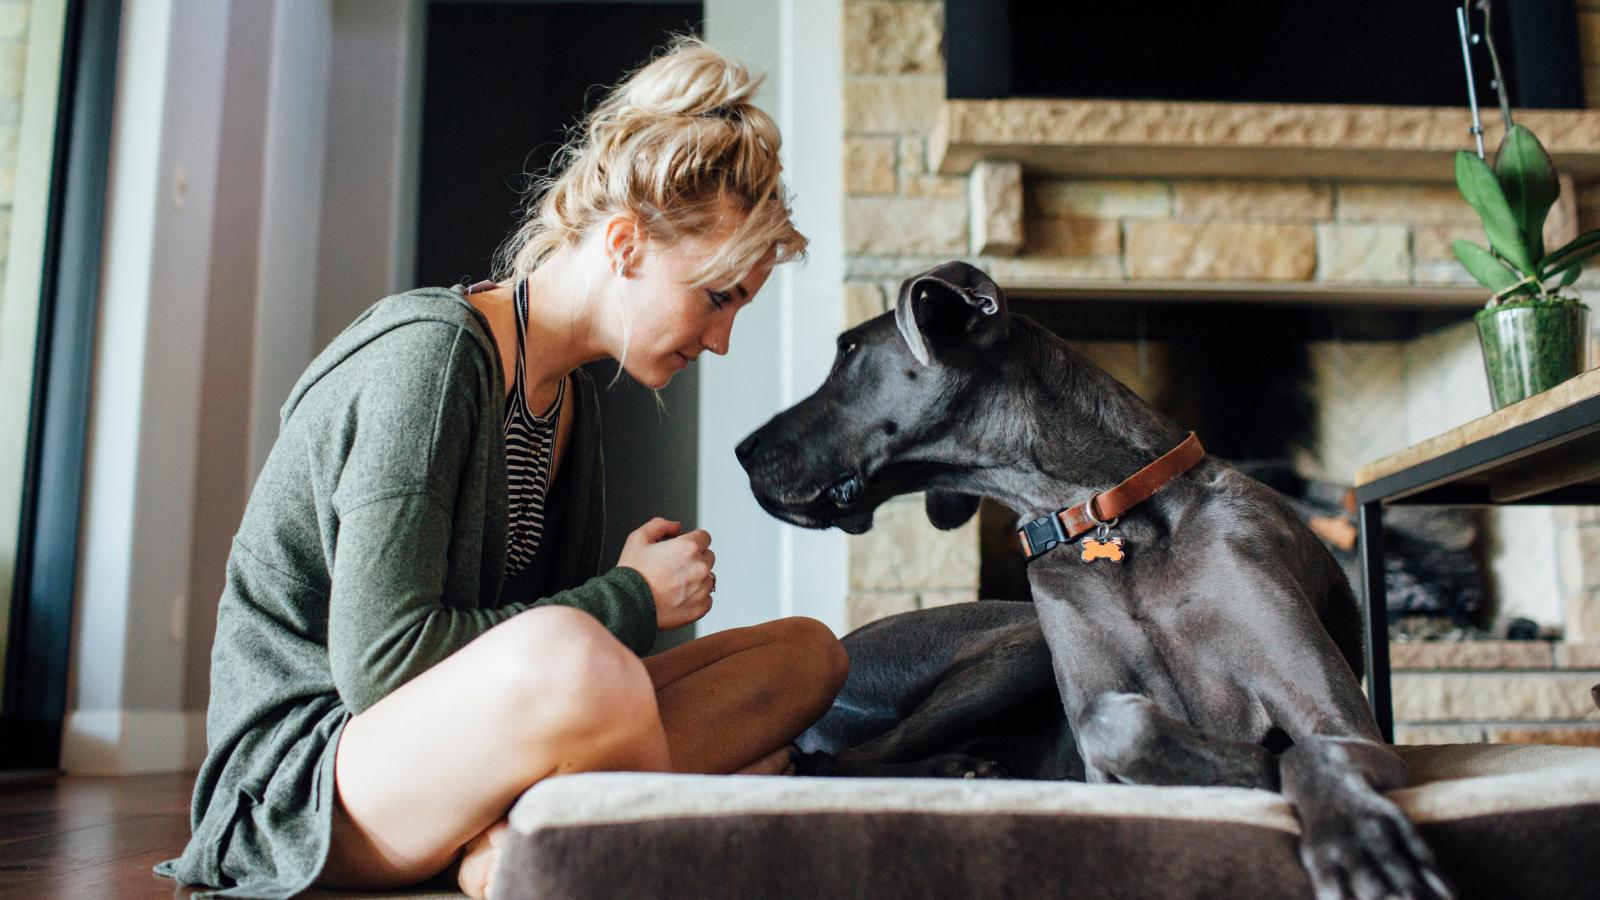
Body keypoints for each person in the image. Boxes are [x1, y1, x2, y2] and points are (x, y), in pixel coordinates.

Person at [155, 37, 848, 900]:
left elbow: (541, 666)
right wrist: (630, 598)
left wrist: (608, 626)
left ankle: (516, 843)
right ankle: (589, 838)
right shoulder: (432, 359)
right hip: (311, 779)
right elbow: (382, 663)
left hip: (455, 757)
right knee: (581, 661)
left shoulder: (571, 402)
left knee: (806, 656)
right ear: (626, 245)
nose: (721, 339)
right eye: (716, 297)